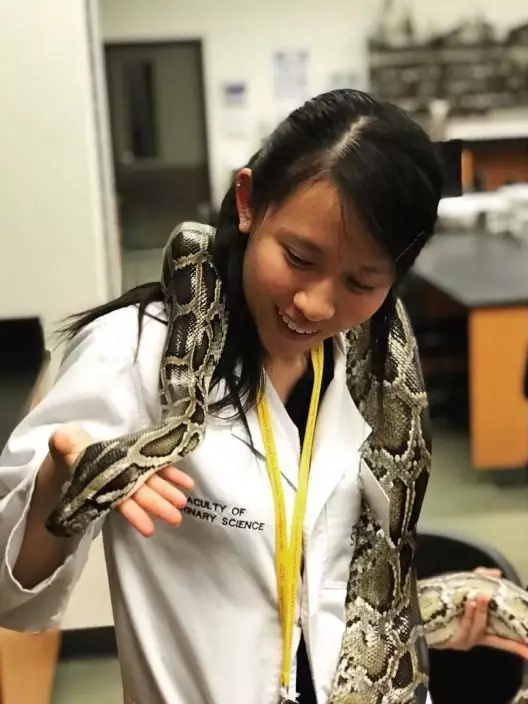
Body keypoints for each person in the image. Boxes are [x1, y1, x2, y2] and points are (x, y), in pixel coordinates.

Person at [0, 89, 519, 704]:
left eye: (361, 281)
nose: (316, 306)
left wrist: (425, 613)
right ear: (248, 203)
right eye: (299, 258)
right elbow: (9, 593)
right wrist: (59, 487)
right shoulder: (132, 352)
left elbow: (342, 575)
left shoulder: (375, 366)